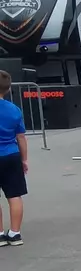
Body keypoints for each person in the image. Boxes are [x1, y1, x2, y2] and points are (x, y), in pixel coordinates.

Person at [0, 70, 28, 247]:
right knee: (14, 195)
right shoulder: (14, 110)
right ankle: (15, 233)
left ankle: (0, 234)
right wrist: (24, 159)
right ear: (9, 89)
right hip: (11, 154)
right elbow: (21, 137)